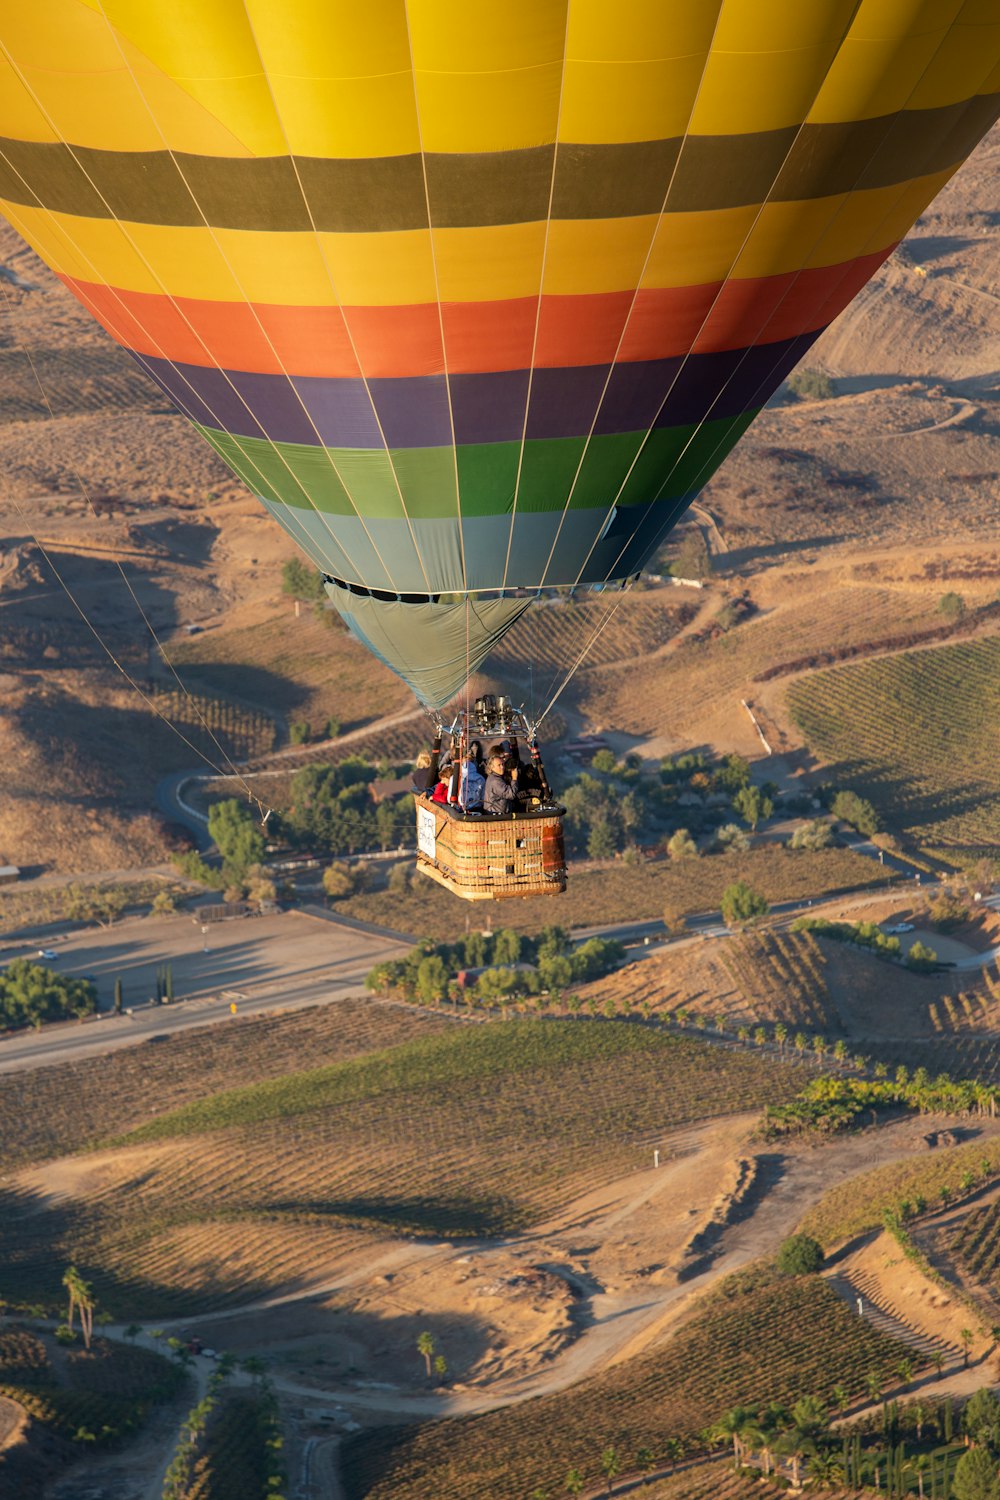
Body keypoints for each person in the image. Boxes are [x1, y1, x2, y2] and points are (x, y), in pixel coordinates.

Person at [484, 750, 518, 816]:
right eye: (499, 765)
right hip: (496, 816)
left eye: (503, 764)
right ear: (492, 767)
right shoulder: (495, 781)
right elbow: (511, 794)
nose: (502, 767)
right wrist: (514, 778)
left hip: (498, 813)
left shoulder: (496, 777)